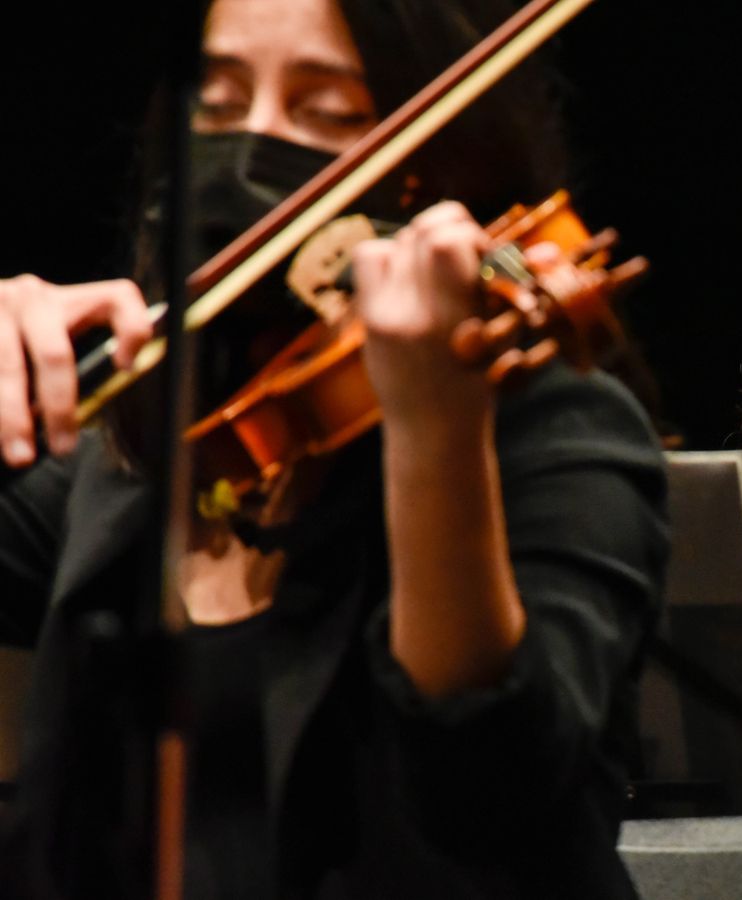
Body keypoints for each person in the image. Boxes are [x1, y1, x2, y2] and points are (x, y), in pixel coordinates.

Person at [0, 1, 666, 898]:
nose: (252, 143)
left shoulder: (560, 436)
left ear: (430, 168)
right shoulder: (139, 465)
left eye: (327, 113)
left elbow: (488, 792)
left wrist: (435, 429)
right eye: (221, 103)